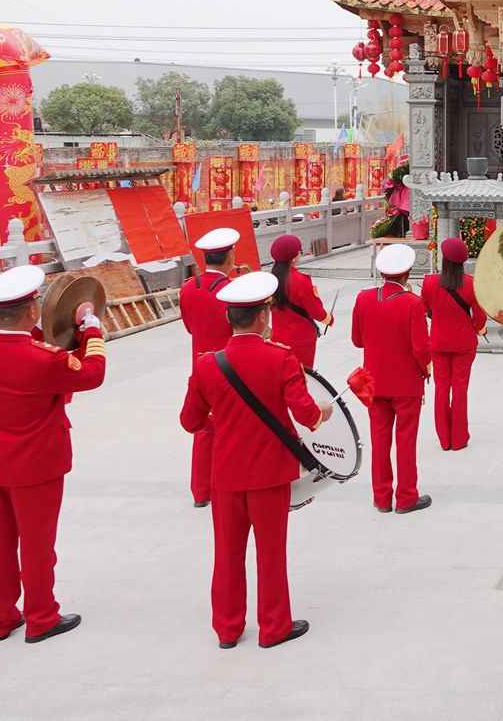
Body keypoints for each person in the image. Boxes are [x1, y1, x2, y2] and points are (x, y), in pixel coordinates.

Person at [180, 271, 329, 649]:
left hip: (226, 473)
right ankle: (274, 626)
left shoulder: (206, 364)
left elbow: (191, 422)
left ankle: (227, 629)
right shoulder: (280, 358)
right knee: (270, 553)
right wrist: (327, 410)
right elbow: (308, 416)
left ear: (230, 319)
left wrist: (224, 423)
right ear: (264, 317)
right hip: (268, 474)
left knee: (227, 554)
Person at [0, 265, 107, 644]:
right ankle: (42, 616)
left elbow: (28, 350)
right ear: (31, 311)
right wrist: (90, 327)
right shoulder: (43, 360)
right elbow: (92, 373)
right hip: (38, 464)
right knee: (37, 544)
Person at [351, 244, 432, 514]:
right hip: (406, 381)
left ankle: (382, 497)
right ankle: (407, 496)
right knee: (406, 441)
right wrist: (425, 370)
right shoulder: (412, 302)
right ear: (407, 273)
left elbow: (357, 340)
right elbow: (420, 348)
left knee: (379, 439)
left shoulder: (363, 298)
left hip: (374, 381)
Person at [181, 227, 240, 508]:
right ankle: (227, 484)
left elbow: (190, 327)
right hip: (229, 366)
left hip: (200, 364)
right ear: (229, 257)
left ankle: (200, 491)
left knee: (203, 428)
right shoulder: (232, 290)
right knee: (232, 427)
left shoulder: (187, 287)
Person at [420, 238, 487, 451]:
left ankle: (444, 439)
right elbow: (479, 319)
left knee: (441, 389)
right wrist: (478, 329)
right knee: (460, 388)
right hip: (464, 344)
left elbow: (424, 308)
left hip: (438, 341)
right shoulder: (471, 283)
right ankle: (459, 438)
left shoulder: (430, 282)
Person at [268, 235, 331, 370]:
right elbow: (316, 312)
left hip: (278, 337)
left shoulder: (271, 279)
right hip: (301, 340)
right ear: (294, 257)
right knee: (302, 377)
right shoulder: (301, 280)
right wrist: (329, 319)